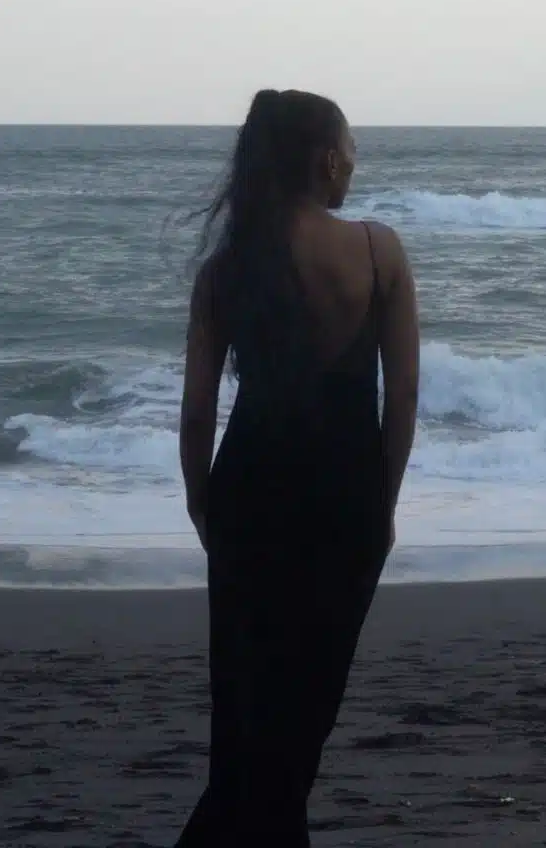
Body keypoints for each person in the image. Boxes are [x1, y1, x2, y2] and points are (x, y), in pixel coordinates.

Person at [175, 89, 420, 846]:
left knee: (246, 718)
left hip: (249, 497)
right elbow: (402, 399)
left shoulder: (228, 269)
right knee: (303, 718)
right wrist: (382, 505)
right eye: (352, 149)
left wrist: (202, 504)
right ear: (326, 160)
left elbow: (197, 411)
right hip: (345, 501)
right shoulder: (379, 252)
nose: (354, 163)